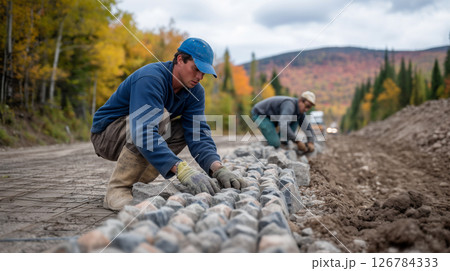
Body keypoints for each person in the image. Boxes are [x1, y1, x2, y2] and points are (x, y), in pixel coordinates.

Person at [91, 37, 246, 211]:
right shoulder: (151, 78)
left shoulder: (195, 92)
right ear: (180, 59)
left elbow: (198, 134)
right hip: (107, 134)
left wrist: (217, 168)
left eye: (204, 73)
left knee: (181, 130)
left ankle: (137, 184)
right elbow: (144, 131)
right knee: (159, 118)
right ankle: (118, 189)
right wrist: (182, 170)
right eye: (196, 69)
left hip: (136, 131)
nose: (200, 77)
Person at [251, 91, 317, 152]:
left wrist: (310, 142)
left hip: (273, 118)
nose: (306, 109)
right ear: (300, 101)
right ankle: (272, 142)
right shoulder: (289, 105)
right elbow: (283, 125)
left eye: (309, 108)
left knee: (296, 119)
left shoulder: (300, 112)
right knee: (275, 143)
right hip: (260, 114)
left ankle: (283, 141)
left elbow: (308, 128)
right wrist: (297, 141)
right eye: (307, 106)